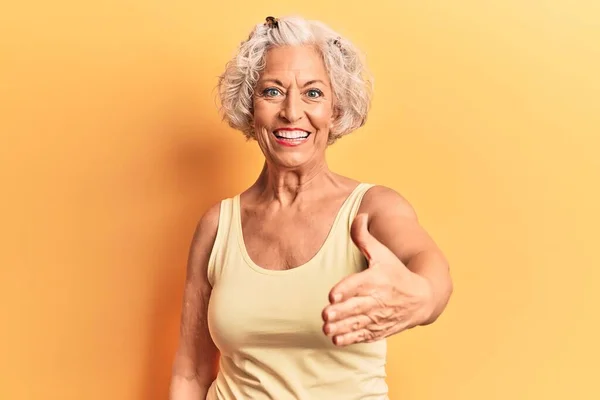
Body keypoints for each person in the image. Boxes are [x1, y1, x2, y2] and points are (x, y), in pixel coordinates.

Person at [169, 15, 453, 400]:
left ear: (335, 111)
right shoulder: (218, 225)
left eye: (313, 93)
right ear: (250, 106)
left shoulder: (371, 209)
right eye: (272, 91)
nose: (291, 111)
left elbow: (428, 265)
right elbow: (192, 372)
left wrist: (422, 297)